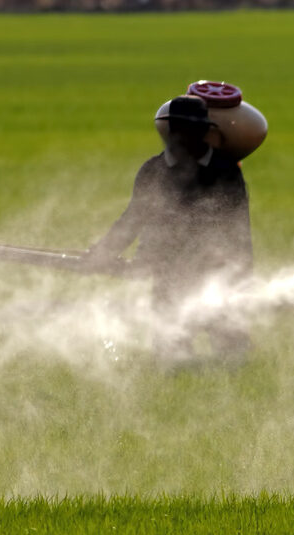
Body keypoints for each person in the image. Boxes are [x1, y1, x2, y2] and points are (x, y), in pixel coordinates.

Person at [88, 95, 254, 363]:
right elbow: (134, 217)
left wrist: (242, 272)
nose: (179, 138)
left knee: (232, 353)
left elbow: (237, 226)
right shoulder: (153, 170)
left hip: (216, 272)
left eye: (187, 130)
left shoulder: (225, 172)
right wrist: (106, 251)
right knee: (170, 354)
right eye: (175, 130)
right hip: (167, 271)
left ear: (202, 132)